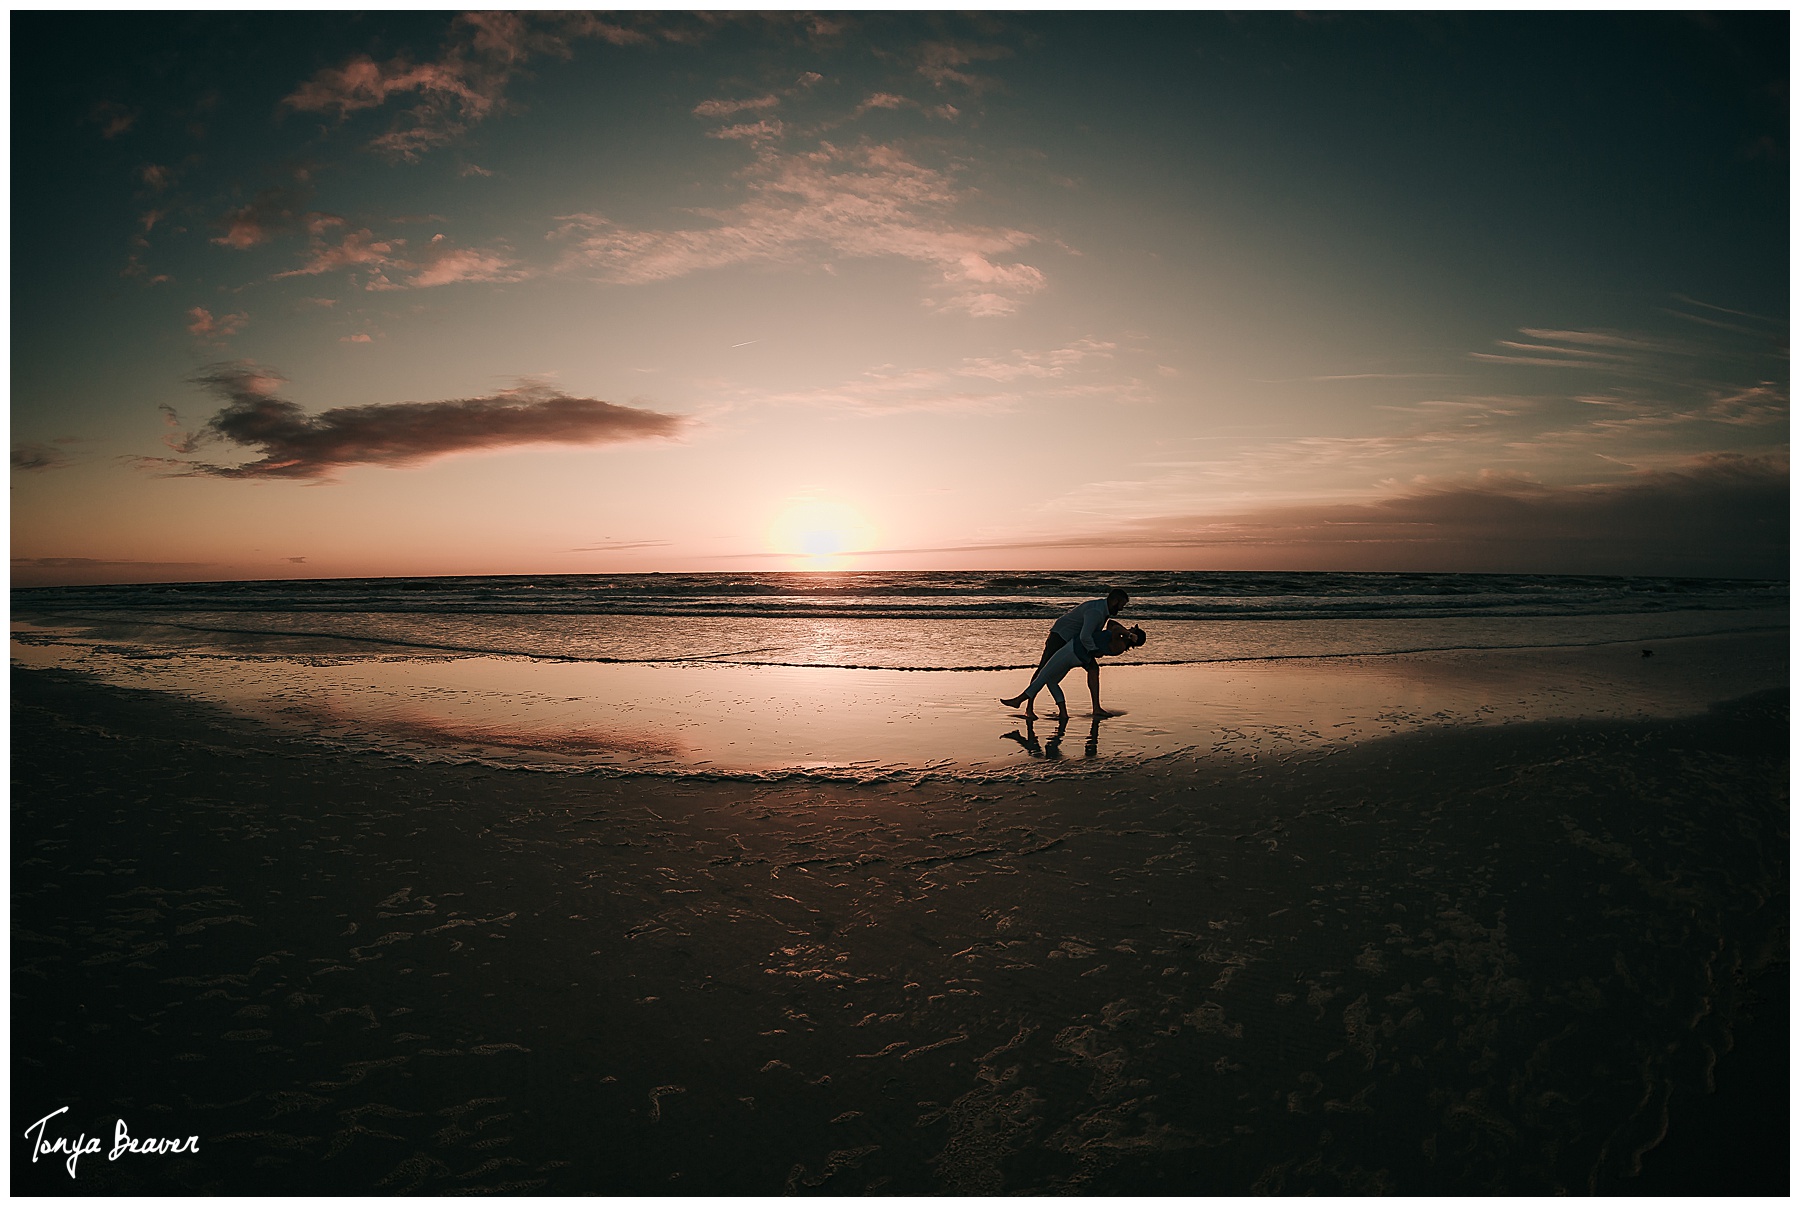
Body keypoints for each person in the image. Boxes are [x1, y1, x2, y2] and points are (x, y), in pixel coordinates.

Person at [1001, 620, 1145, 719]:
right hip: (1078, 653)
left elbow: (1114, 630)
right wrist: (1127, 633)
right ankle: (1063, 713)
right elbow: (1111, 623)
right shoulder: (1121, 638)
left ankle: (1019, 700)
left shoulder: (1119, 645)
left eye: (1133, 629)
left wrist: (1127, 634)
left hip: (1073, 650)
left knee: (1044, 674)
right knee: (1052, 681)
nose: (1130, 628)